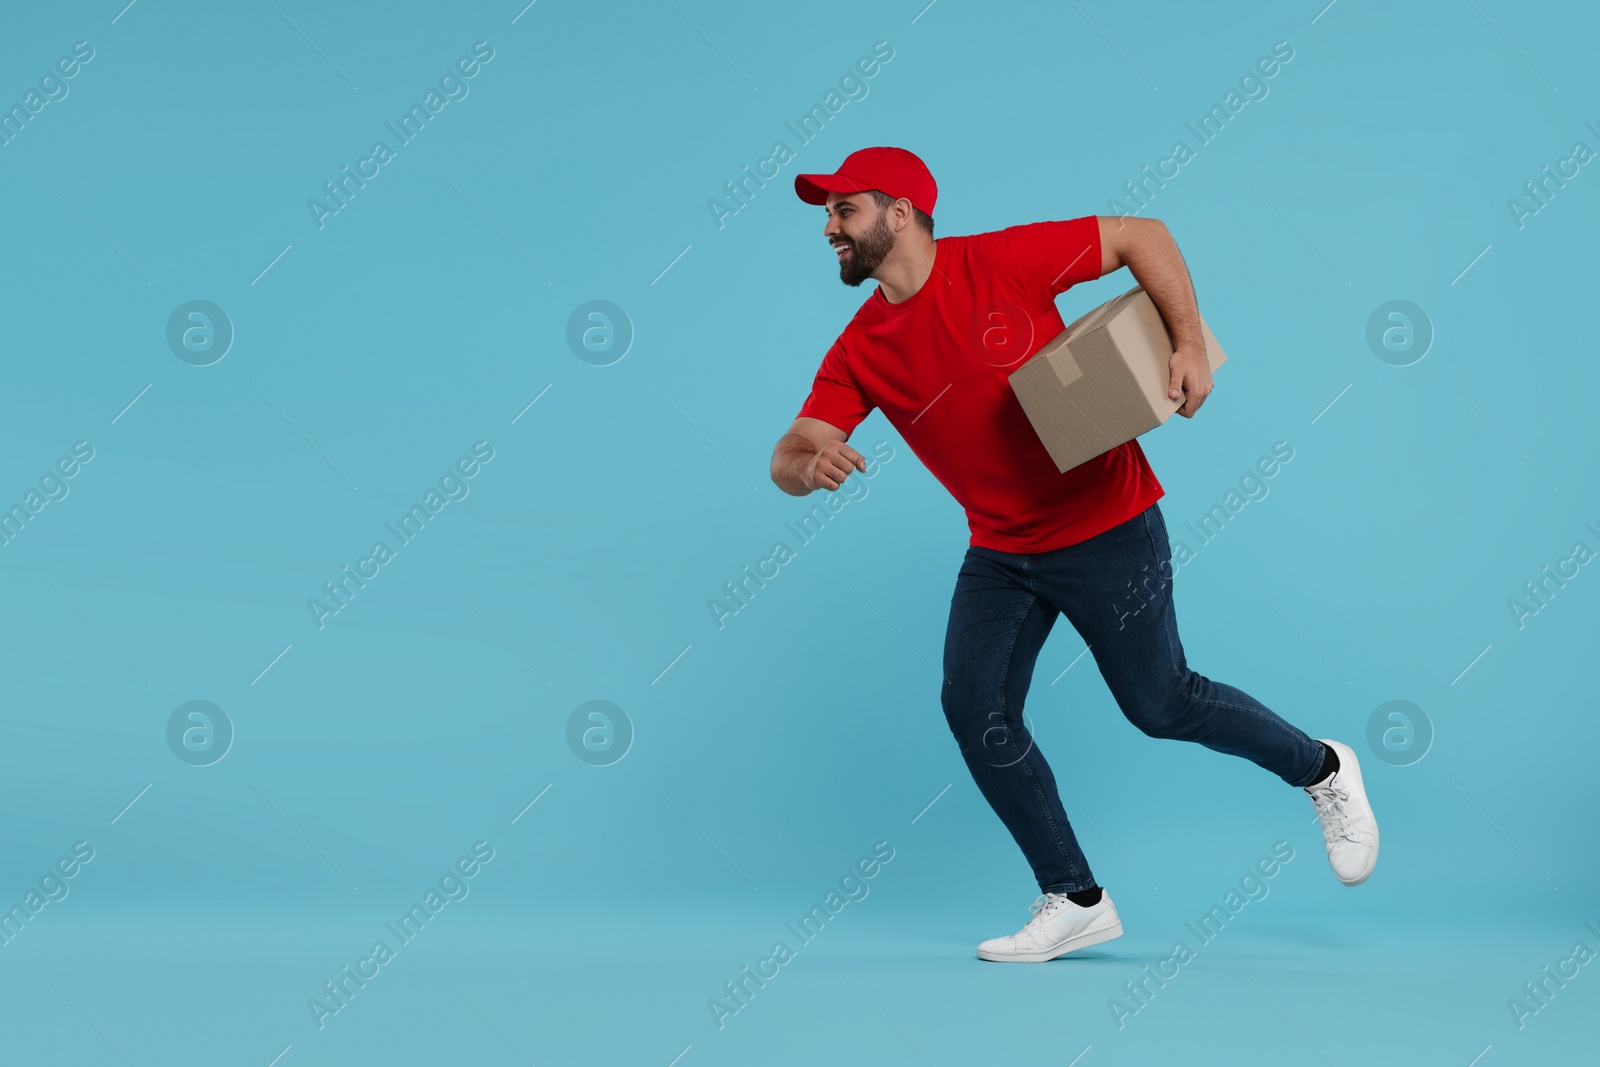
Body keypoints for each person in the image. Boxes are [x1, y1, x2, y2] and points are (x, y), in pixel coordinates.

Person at [769, 146, 1378, 963]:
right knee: (974, 707)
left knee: (1161, 704)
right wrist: (810, 463)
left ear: (900, 212)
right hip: (1002, 549)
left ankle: (1322, 767)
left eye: (842, 211)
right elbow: (796, 444)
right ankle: (1076, 895)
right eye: (828, 215)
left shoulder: (1001, 260)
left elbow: (1142, 235)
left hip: (1107, 522)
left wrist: (1189, 344)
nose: (829, 230)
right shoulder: (861, 344)